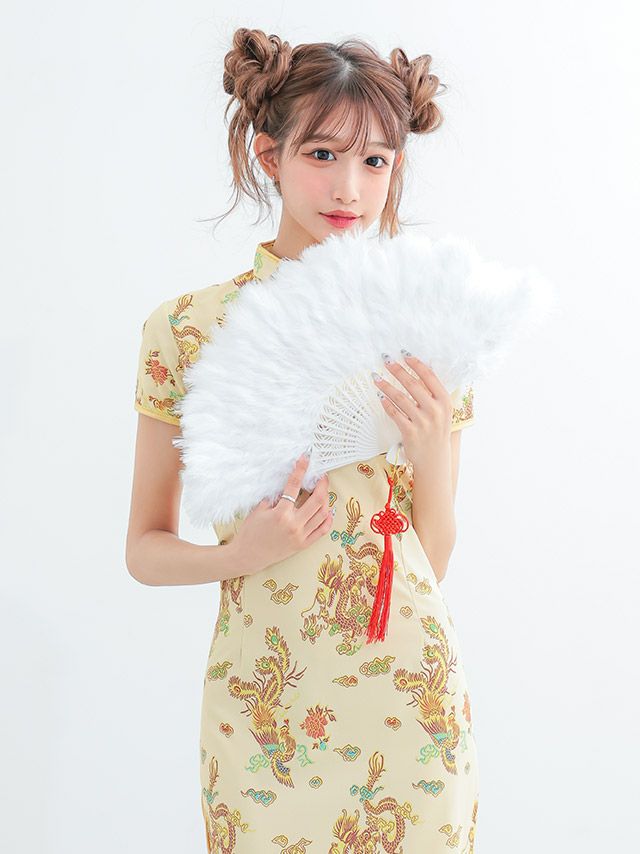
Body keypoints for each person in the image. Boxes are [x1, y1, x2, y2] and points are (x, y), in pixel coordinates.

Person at [127, 28, 479, 852]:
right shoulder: (189, 329)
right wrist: (239, 555)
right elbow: (143, 550)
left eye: (375, 161)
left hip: (409, 699)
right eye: (322, 154)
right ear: (268, 154)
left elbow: (431, 554)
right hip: (265, 707)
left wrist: (430, 454)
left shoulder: (428, 330)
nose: (349, 188)